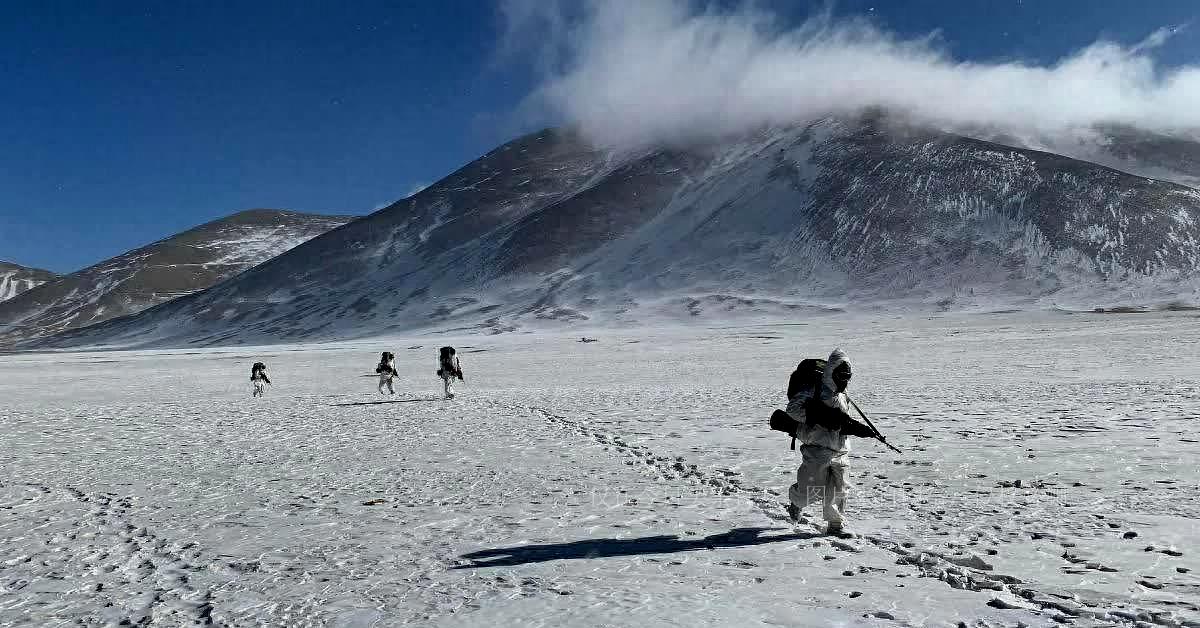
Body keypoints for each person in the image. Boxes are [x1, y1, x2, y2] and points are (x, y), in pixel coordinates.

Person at [785, 348, 875, 536]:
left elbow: (843, 422)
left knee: (839, 489)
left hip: (840, 450)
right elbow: (792, 410)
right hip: (817, 448)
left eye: (848, 376)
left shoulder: (844, 396)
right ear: (831, 372)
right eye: (841, 375)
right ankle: (796, 503)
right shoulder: (814, 390)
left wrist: (854, 429)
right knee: (812, 491)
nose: (845, 379)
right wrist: (820, 417)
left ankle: (835, 526)